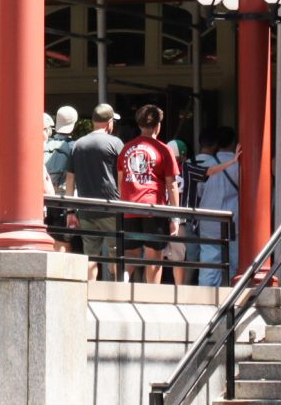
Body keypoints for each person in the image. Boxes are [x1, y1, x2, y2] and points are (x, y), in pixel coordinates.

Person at [117, 104, 181, 285]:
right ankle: (152, 296)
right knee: (154, 255)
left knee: (130, 254)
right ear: (158, 125)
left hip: (129, 207)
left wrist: (123, 204)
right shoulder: (163, 149)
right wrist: (175, 217)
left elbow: (120, 181)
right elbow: (172, 185)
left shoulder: (126, 149)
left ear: (139, 125)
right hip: (154, 208)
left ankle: (122, 282)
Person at [68, 104, 123, 278]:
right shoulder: (115, 143)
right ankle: (116, 292)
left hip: (85, 209)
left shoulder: (78, 145)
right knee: (117, 253)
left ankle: (89, 293)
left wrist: (70, 210)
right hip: (111, 208)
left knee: (90, 255)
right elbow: (122, 177)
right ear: (109, 123)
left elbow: (70, 180)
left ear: (93, 122)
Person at [192, 130, 240, 289]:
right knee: (235, 259)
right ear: (233, 143)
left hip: (209, 217)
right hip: (234, 218)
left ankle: (206, 295)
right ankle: (234, 293)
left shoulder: (207, 165)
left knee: (209, 260)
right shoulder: (239, 164)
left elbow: (198, 192)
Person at [45, 106, 78, 190]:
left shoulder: (46, 144)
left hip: (46, 190)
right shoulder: (75, 147)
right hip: (63, 194)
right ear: (74, 124)